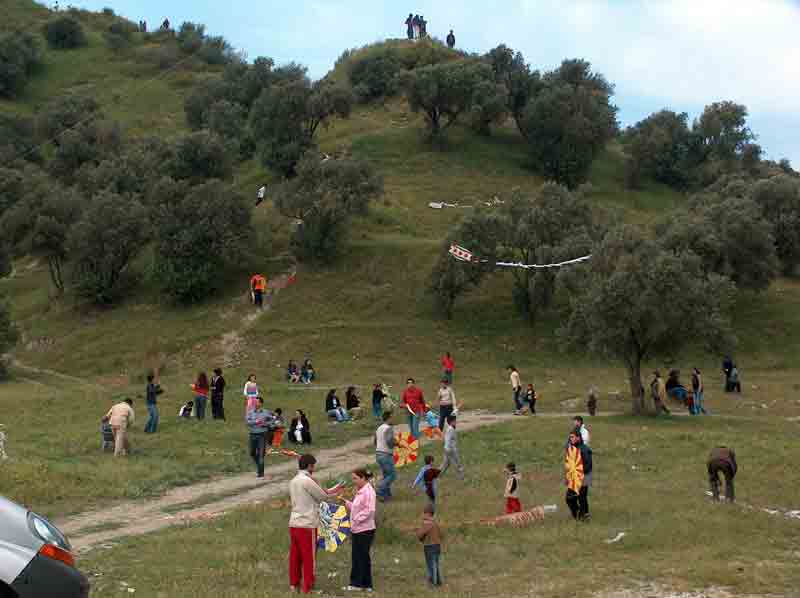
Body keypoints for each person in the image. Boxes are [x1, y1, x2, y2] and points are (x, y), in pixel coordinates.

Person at [289, 454, 343, 594]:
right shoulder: (307, 481)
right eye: (313, 466)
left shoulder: (293, 480)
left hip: (294, 523)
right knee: (309, 557)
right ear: (309, 466)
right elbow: (323, 496)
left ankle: (294, 584)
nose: (314, 468)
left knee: (295, 556)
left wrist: (333, 488)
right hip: (307, 523)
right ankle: (308, 586)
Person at [344, 468, 377, 592]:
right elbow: (357, 508)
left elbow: (369, 511)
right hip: (358, 529)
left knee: (360, 557)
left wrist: (356, 520)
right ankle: (365, 584)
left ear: (363, 478)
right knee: (359, 556)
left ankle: (357, 584)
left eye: (355, 479)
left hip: (365, 529)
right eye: (353, 478)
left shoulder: (368, 492)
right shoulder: (361, 491)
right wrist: (346, 503)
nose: (354, 481)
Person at [565, 430, 593, 521]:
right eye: (570, 437)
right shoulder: (571, 449)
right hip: (573, 478)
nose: (571, 439)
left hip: (584, 477)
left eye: (572, 437)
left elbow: (588, 466)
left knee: (582, 497)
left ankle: (584, 515)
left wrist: (579, 475)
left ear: (578, 437)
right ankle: (577, 513)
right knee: (569, 498)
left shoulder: (585, 449)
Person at [416, 502, 443, 587]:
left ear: (427, 514)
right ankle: (438, 581)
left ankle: (432, 583)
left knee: (430, 565)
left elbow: (420, 535)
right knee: (437, 564)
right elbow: (441, 534)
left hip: (429, 546)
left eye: (424, 513)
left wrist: (419, 532)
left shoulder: (427, 523)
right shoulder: (436, 523)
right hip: (437, 545)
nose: (423, 515)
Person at [246, 397, 273, 478]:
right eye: (254, 402)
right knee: (252, 453)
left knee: (261, 454)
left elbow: (273, 420)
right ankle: (259, 465)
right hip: (253, 434)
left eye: (257, 402)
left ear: (261, 403)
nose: (255, 404)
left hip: (262, 434)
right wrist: (256, 422)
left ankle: (260, 474)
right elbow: (248, 421)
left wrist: (265, 424)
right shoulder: (250, 412)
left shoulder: (266, 412)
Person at [375, 411, 396, 501]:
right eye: (392, 417)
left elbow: (375, 441)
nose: (393, 419)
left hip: (378, 454)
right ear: (389, 417)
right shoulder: (388, 428)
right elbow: (389, 441)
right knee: (392, 475)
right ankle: (379, 489)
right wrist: (396, 443)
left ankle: (387, 496)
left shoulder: (379, 428)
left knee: (386, 475)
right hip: (386, 454)